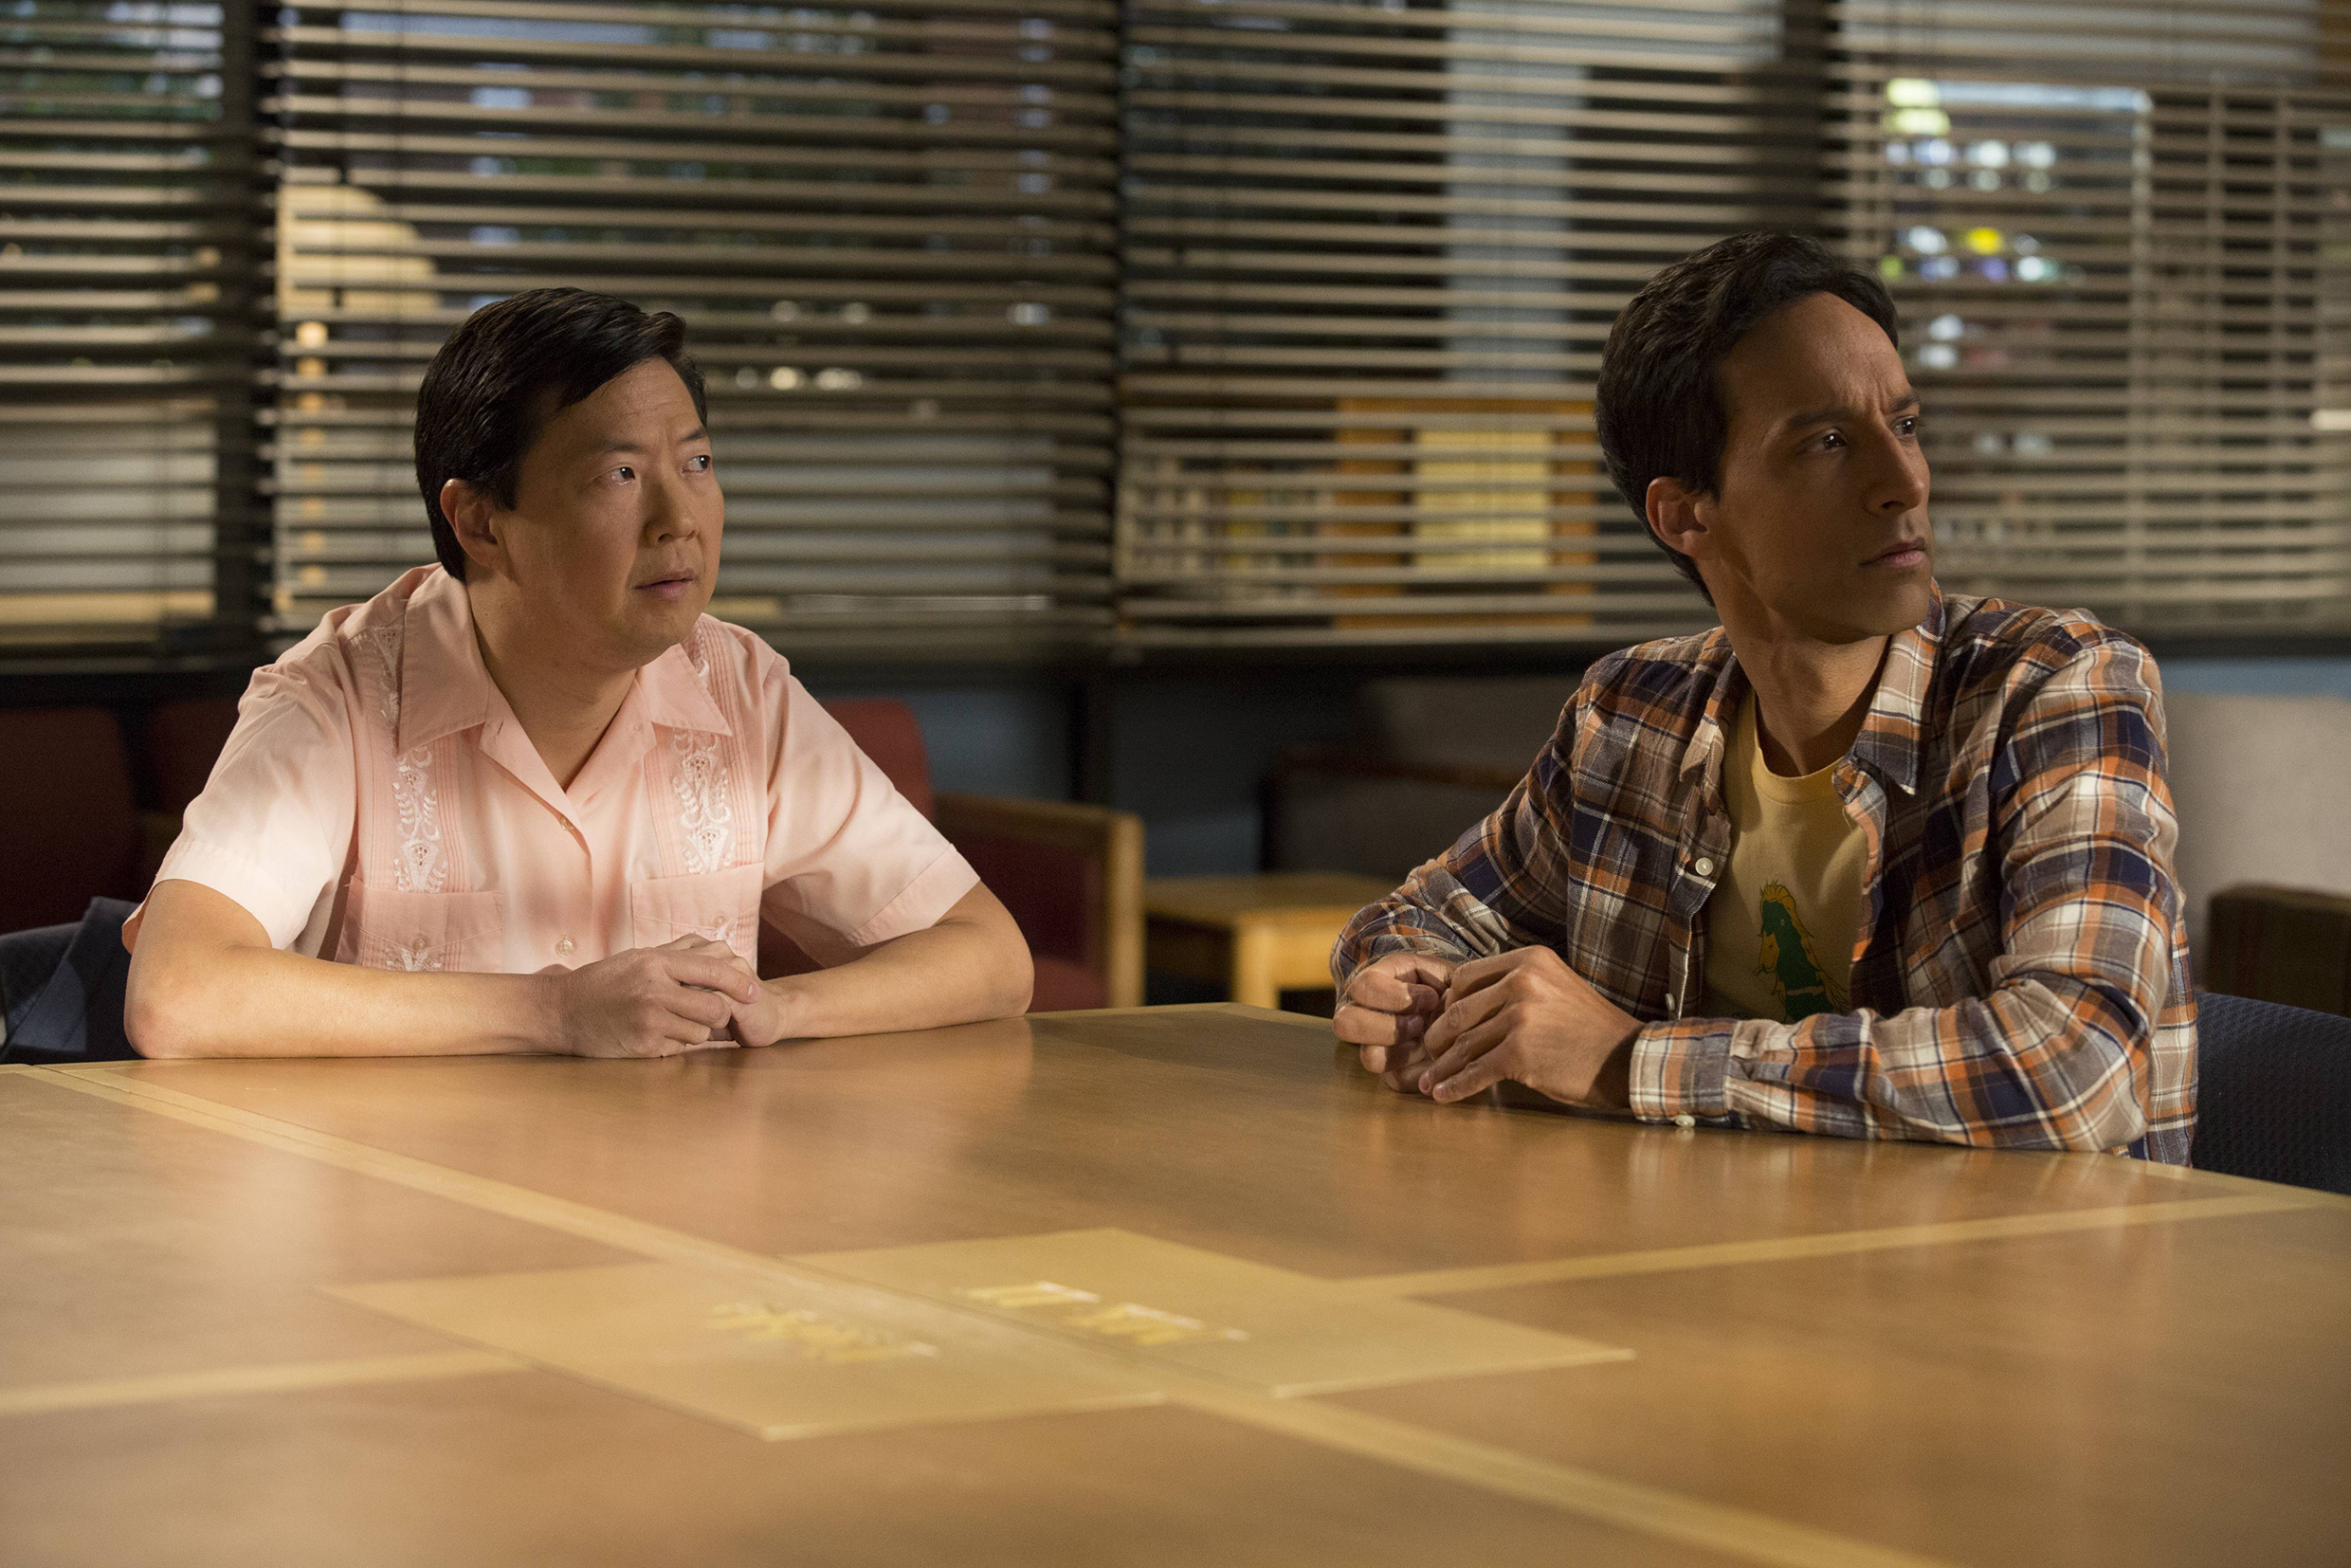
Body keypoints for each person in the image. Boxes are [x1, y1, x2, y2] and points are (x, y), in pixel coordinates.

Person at [1330, 231, 2196, 1161]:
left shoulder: (2052, 686)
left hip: (2018, 1252)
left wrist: (1625, 1060)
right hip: (1703, 1242)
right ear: (1684, 515)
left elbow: (2077, 1070)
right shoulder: (1631, 714)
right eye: (1828, 442)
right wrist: (1404, 989)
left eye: (1904, 427)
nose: (1904, 481)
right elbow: (1415, 921)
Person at [119, 288, 1032, 1060]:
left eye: (697, 463)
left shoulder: (740, 687)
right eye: (621, 474)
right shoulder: (339, 697)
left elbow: (988, 956)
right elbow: (179, 994)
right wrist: (554, 1010)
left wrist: (775, 1010)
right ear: (480, 523)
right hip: (399, 1200)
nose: (680, 518)